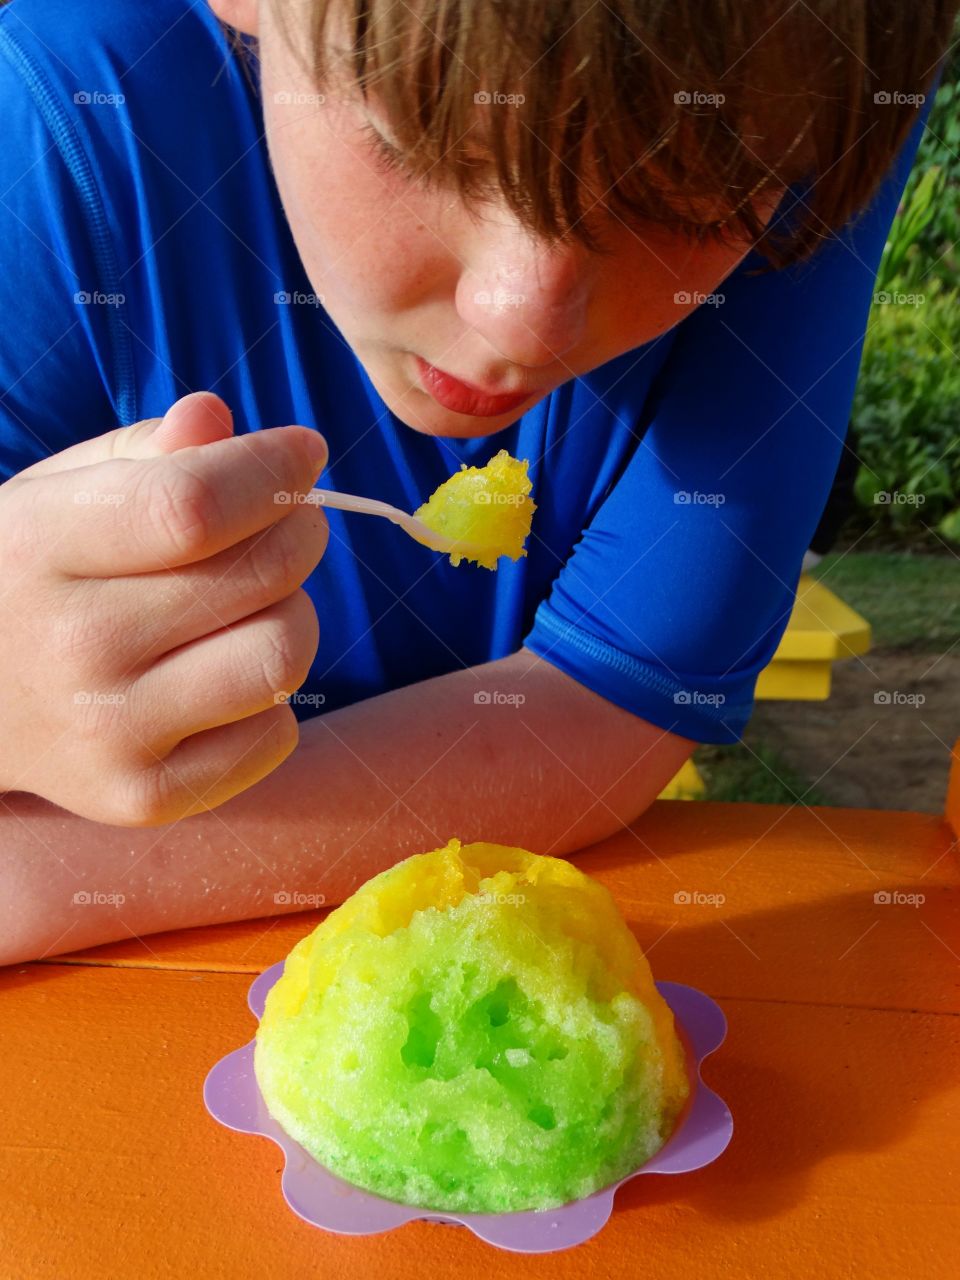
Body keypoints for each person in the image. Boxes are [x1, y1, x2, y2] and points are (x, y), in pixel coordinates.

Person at [0, 0, 952, 963]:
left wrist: (29, 881)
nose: (519, 326)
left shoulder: (819, 66)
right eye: (422, 138)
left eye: (690, 204)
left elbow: (615, 700)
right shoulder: (61, 109)